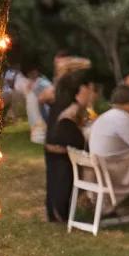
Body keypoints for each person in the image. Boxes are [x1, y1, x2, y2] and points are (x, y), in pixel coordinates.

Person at [44, 67, 96, 223]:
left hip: (55, 150)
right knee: (62, 180)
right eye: (90, 89)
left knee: (56, 180)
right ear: (82, 89)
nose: (92, 93)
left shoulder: (62, 103)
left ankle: (56, 212)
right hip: (62, 151)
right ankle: (62, 212)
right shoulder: (70, 110)